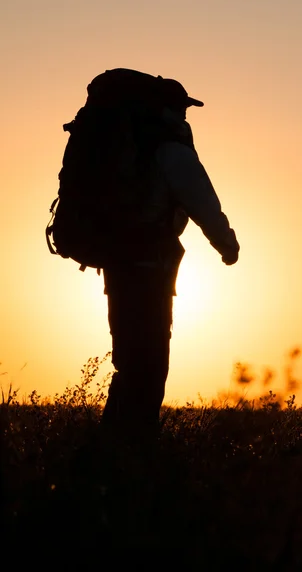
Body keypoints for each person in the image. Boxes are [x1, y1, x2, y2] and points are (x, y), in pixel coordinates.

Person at [100, 80, 240, 444]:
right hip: (151, 268)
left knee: (129, 359)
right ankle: (136, 449)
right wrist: (226, 244)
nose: (185, 114)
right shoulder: (171, 151)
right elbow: (202, 202)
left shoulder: (127, 148)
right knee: (149, 362)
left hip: (117, 265)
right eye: (182, 108)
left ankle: (107, 448)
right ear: (170, 110)